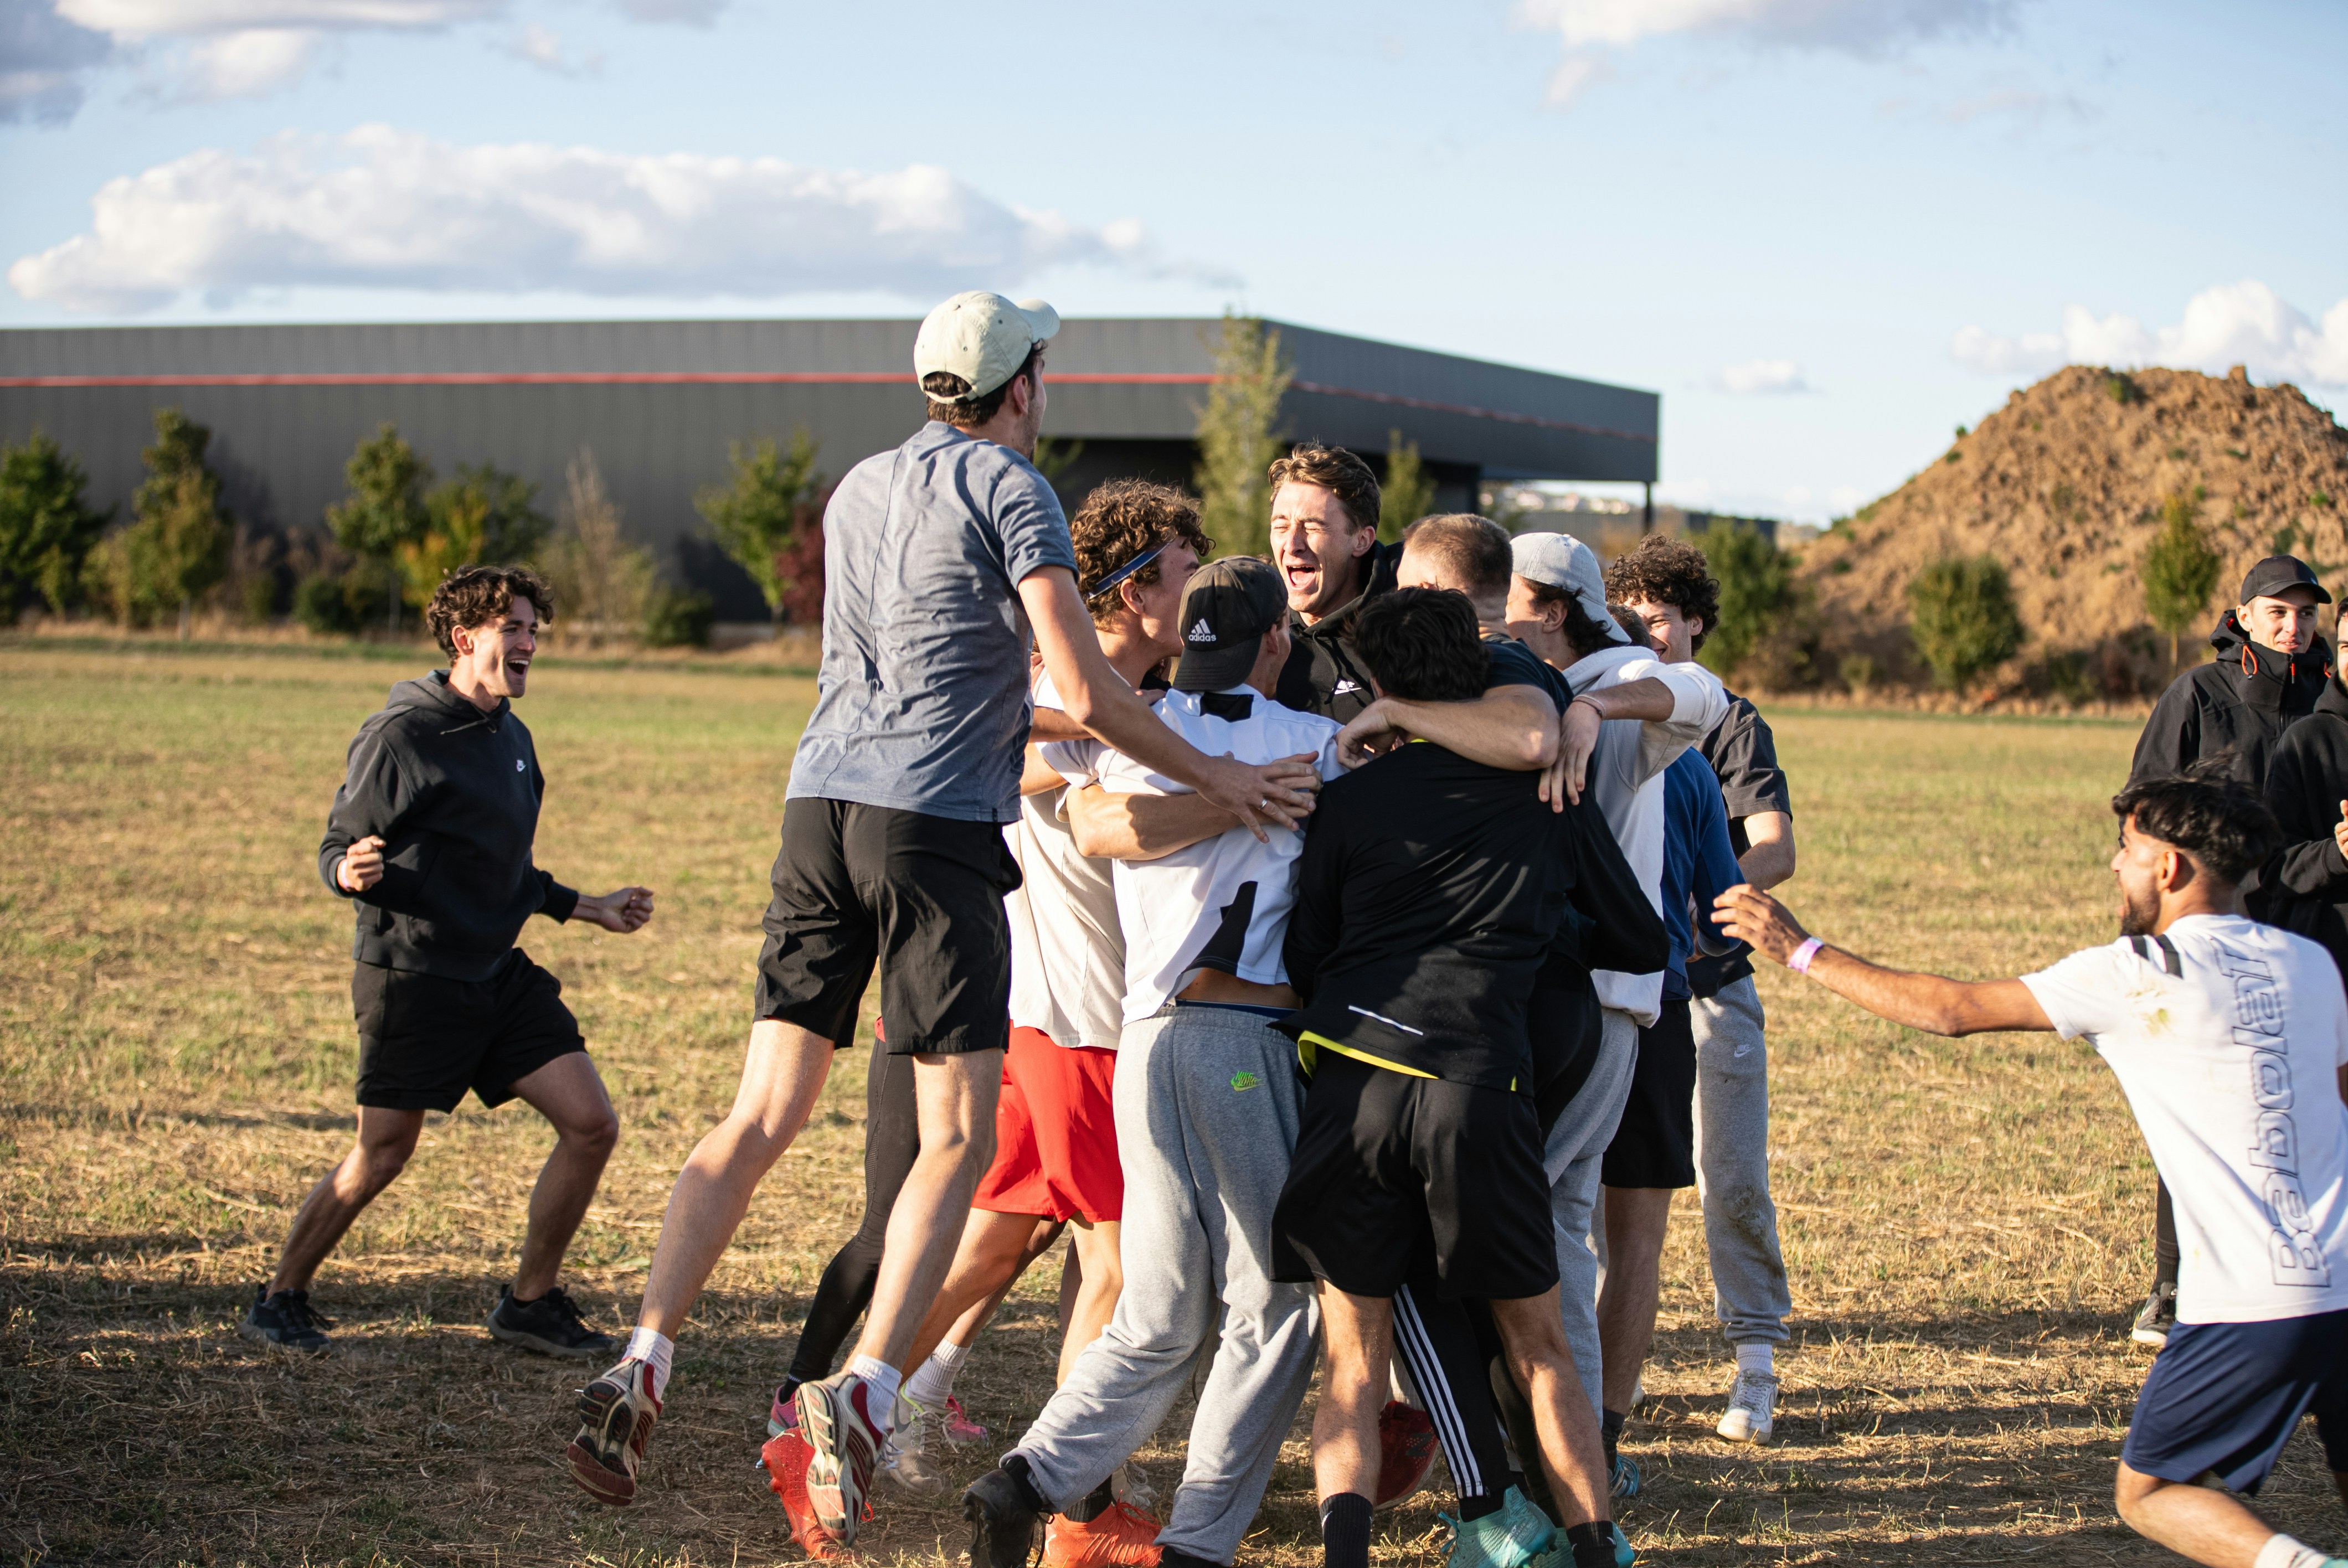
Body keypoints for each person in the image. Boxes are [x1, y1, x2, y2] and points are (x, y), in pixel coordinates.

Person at [567, 292, 1317, 1530]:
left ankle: (643, 1357)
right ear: (1021, 385)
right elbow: (1081, 685)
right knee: (956, 1138)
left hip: (818, 804)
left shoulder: (857, 486)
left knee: (761, 1113)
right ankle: (867, 1389)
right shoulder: (1014, 489)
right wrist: (1220, 779)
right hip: (931, 824)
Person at [1713, 764, 2348, 1568]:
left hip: (2254, 1303)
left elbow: (1951, 1011)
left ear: (2169, 867)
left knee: (2151, 1494)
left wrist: (1799, 949)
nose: (2114, 865)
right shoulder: (2310, 964)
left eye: (2126, 849)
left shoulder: (2140, 974)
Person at [964, 556, 1348, 1568]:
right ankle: (1199, 1542)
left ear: (1189, 639)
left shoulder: (1131, 731)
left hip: (1144, 1042)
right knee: (1274, 1307)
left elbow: (1036, 756)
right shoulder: (1311, 743)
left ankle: (1025, 1479)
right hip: (1243, 1044)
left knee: (1159, 1312)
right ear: (1277, 639)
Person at [1274, 585, 1632, 1568]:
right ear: (1478, 672)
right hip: (1480, 1085)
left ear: (1378, 680)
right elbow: (1639, 937)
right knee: (1540, 1347)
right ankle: (1596, 1548)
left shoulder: (1349, 800)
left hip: (1353, 1085)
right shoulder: (1547, 793)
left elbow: (1307, 953)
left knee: (1354, 1360)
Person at [244, 566, 653, 1355]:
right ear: (465, 639)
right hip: (414, 976)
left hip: (495, 974)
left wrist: (590, 907)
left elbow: (503, 869)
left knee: (591, 1124)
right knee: (384, 1152)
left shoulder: (513, 738)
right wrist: (346, 871)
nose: (529, 643)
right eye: (513, 629)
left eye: (533, 630)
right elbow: (337, 843)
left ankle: (529, 1304)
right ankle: (279, 1297)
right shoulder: (402, 735)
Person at [1504, 531, 1727, 1474]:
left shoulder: (1619, 679)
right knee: (1557, 1225)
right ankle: (1567, 1460)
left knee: (1548, 1225)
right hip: (1542, 1001)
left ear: (1554, 610)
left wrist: (1593, 708)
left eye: (1509, 599)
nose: (1492, 616)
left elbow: (1703, 694)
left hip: (1600, 1004)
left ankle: (1565, 1455)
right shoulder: (1518, 682)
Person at [1607, 535, 1797, 1443]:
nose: (1647, 634)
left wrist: (1698, 895)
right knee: (1604, 1186)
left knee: (1732, 1180)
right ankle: (1614, 1363)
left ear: (1695, 625)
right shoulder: (1605, 711)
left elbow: (1776, 848)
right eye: (1632, 618)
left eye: (1661, 618)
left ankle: (1755, 1362)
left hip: (1710, 981)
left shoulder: (1729, 722)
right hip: (1621, 988)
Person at [2128, 554, 2334, 1347]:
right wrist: (2152, 923)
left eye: (2306, 614)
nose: (2294, 626)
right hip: (2211, 929)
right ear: (2242, 617)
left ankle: (2296, 1280)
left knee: (2297, 1108)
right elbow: (2145, 810)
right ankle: (2173, 1285)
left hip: (2311, 929)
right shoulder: (2199, 696)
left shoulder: (2329, 704)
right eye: (2277, 612)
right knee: (2201, 1106)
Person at [1591, 746, 1742, 1482]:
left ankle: (1526, 1438)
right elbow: (1726, 913)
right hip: (1656, 1006)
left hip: (1550, 1005)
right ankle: (1600, 1442)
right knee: (1637, 1244)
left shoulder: (1541, 733)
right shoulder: (1688, 766)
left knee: (1542, 1231)